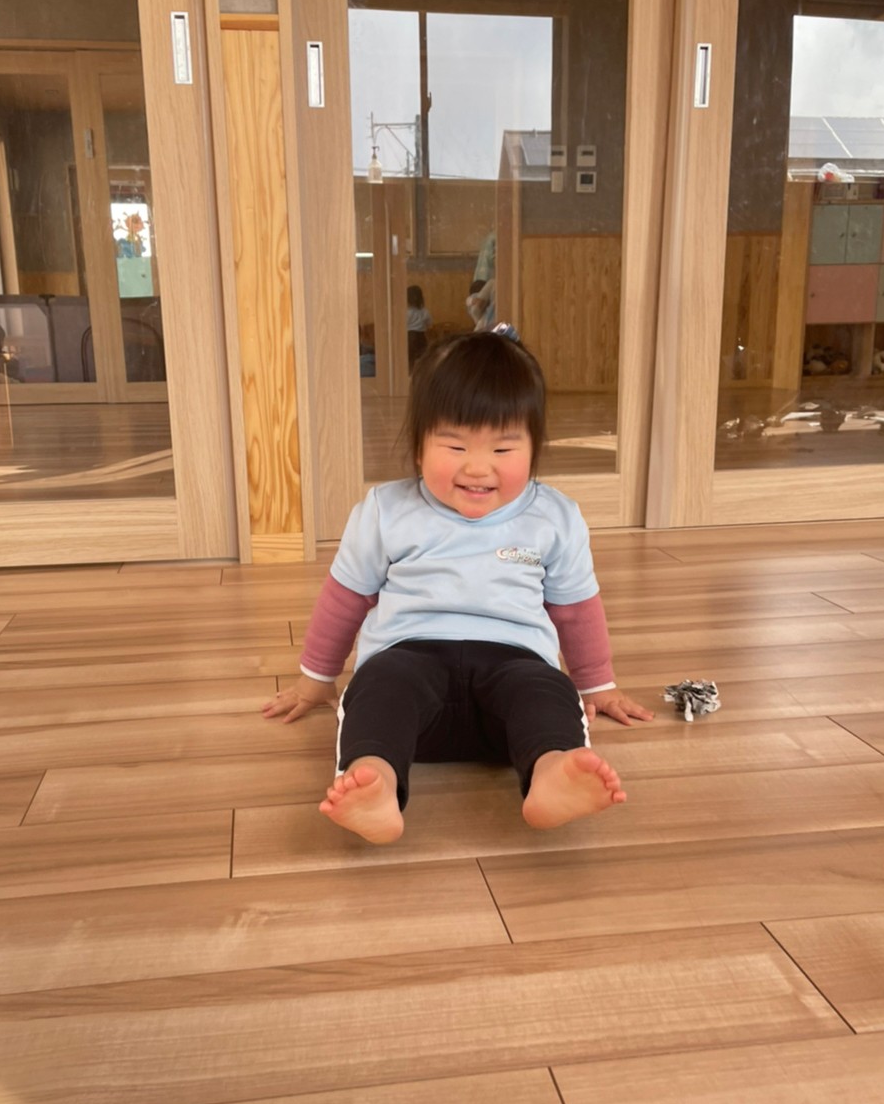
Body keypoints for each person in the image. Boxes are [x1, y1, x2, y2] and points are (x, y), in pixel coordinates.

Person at [262, 328, 654, 844]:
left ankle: (550, 772)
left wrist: (597, 685)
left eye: (503, 448)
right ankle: (375, 779)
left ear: (534, 447)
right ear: (418, 444)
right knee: (379, 687)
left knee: (547, 691)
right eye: (455, 445)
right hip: (409, 662)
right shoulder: (386, 510)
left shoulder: (555, 517)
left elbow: (575, 609)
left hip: (511, 676)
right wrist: (316, 678)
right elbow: (346, 598)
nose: (477, 467)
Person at [406, 284, 432, 367]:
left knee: (409, 358)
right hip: (421, 337)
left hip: (409, 336)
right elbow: (429, 324)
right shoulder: (425, 311)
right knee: (422, 358)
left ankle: (410, 371)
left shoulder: (407, 312)